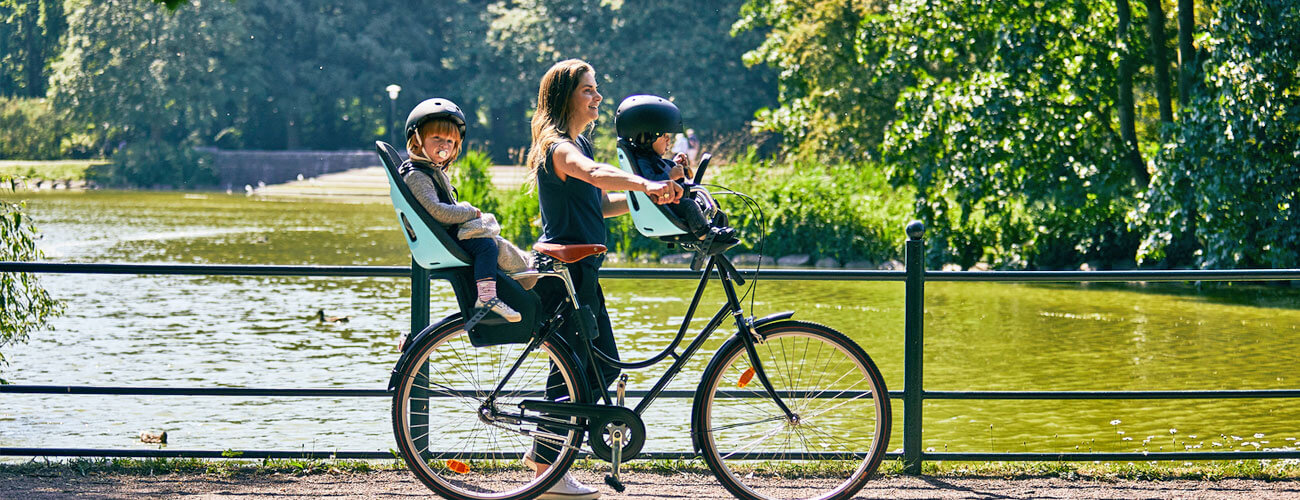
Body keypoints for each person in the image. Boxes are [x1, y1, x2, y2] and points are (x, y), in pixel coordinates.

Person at [523, 59, 682, 500]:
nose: (597, 97)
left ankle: (544, 461)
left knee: (595, 365)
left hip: (583, 270)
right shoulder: (559, 148)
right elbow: (592, 175)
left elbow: (600, 202)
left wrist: (658, 185)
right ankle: (546, 469)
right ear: (565, 98)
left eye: (596, 89)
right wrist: (643, 185)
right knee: (580, 369)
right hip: (567, 271)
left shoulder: (579, 145)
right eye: (588, 91)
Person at [399, 98, 532, 323]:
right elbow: (437, 211)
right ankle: (488, 297)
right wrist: (470, 212)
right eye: (437, 138)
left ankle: (525, 269)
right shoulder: (417, 175)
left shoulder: (428, 171)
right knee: (486, 245)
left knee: (492, 242)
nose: (444, 145)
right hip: (441, 240)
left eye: (450, 141)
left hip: (443, 236)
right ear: (417, 139)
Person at [614, 95, 736, 247]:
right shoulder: (642, 162)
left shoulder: (654, 159)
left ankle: (715, 228)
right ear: (647, 136)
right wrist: (670, 176)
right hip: (662, 207)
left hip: (670, 201)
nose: (668, 140)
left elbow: (673, 182)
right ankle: (704, 234)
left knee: (704, 202)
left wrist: (677, 167)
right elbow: (650, 183)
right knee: (689, 206)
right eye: (664, 136)